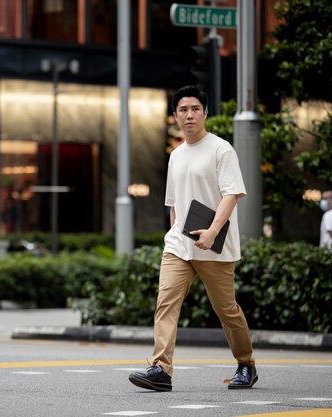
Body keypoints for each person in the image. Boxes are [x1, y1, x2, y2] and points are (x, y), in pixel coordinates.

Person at [128, 86, 257, 392]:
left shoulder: (221, 149)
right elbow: (174, 204)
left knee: (226, 310)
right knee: (166, 304)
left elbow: (231, 195)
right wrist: (174, 233)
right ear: (175, 116)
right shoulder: (176, 156)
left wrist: (212, 231)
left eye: (195, 109)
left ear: (205, 113)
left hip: (215, 246)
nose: (189, 115)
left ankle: (246, 364)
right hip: (179, 247)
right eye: (183, 110)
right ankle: (160, 369)